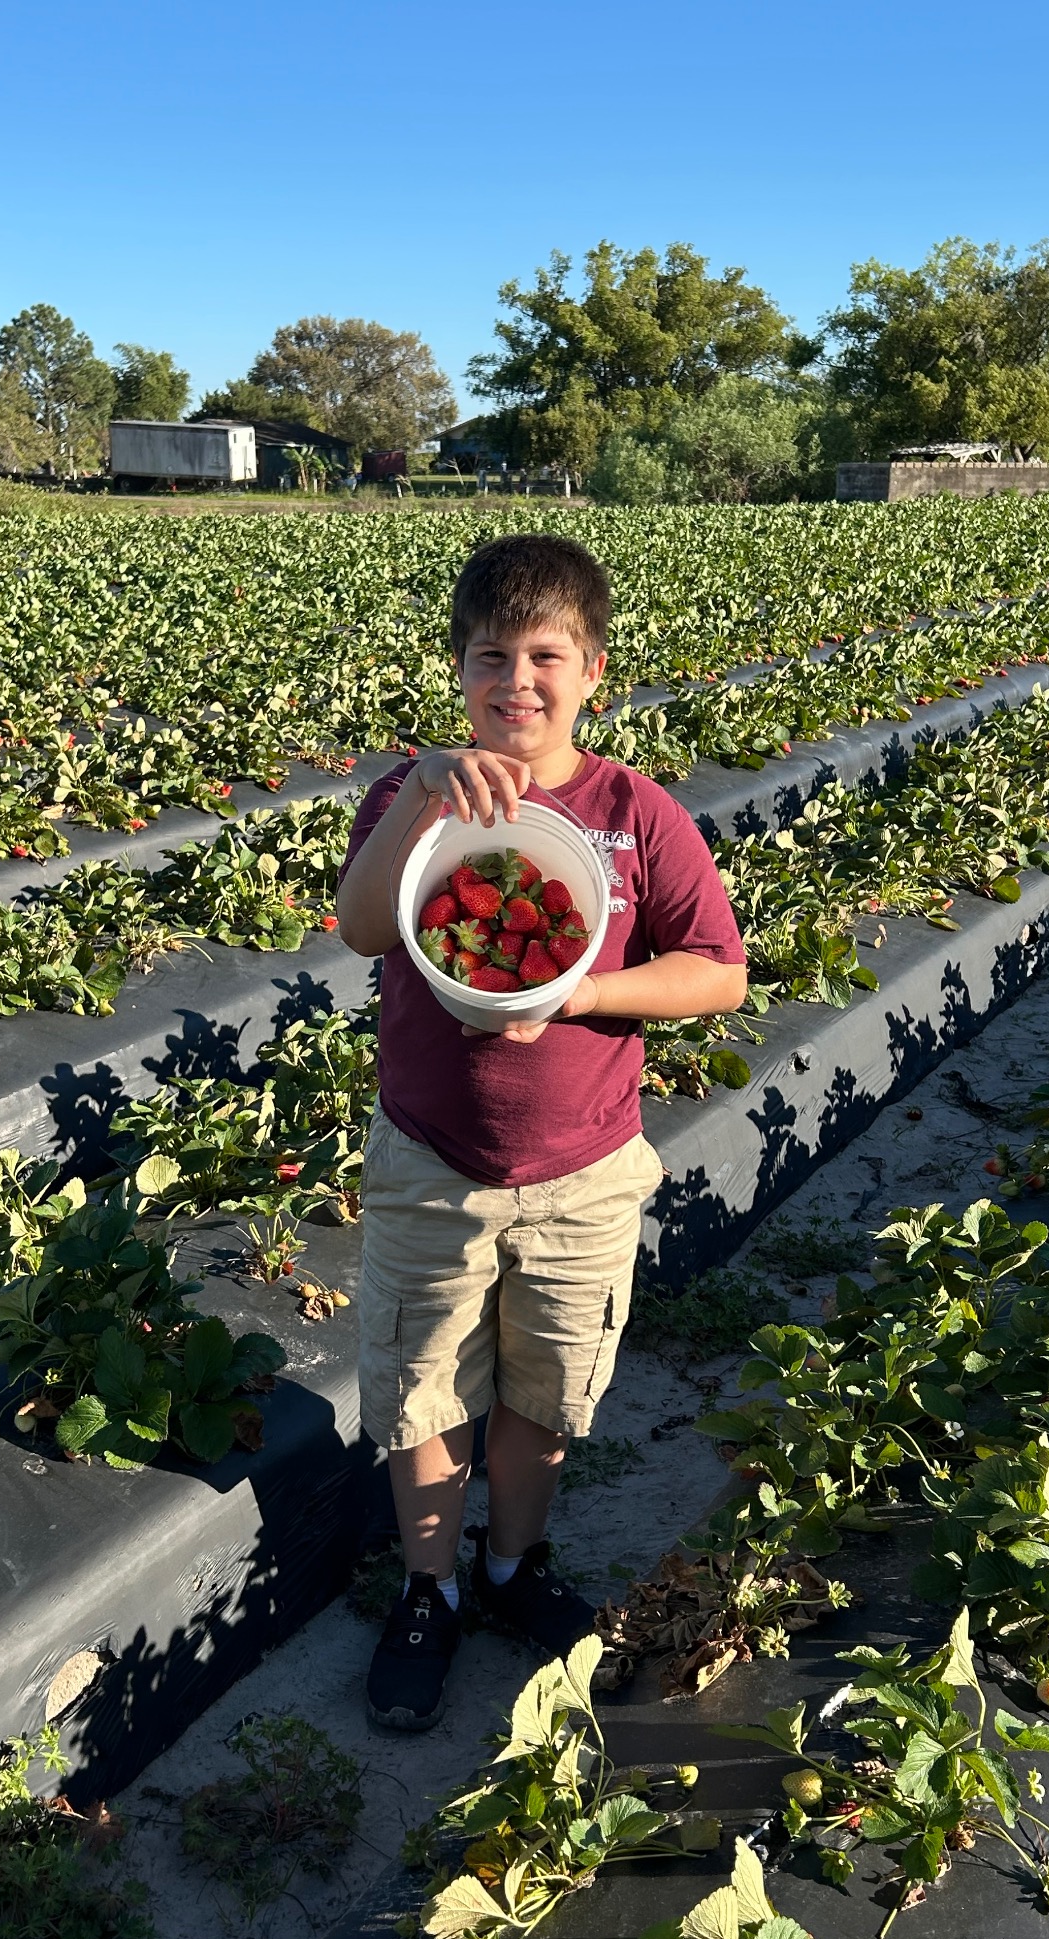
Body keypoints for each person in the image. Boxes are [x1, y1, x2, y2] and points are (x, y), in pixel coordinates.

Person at [334, 533, 747, 1730]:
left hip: (585, 1171)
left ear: (593, 672)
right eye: (490, 656)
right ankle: (429, 1588)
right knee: (424, 1387)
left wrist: (580, 992)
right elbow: (365, 926)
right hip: (433, 1161)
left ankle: (511, 1565)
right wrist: (422, 791)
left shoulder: (632, 812)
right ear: (460, 668)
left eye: (545, 656)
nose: (517, 680)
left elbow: (718, 971)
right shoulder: (415, 797)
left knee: (546, 1391)